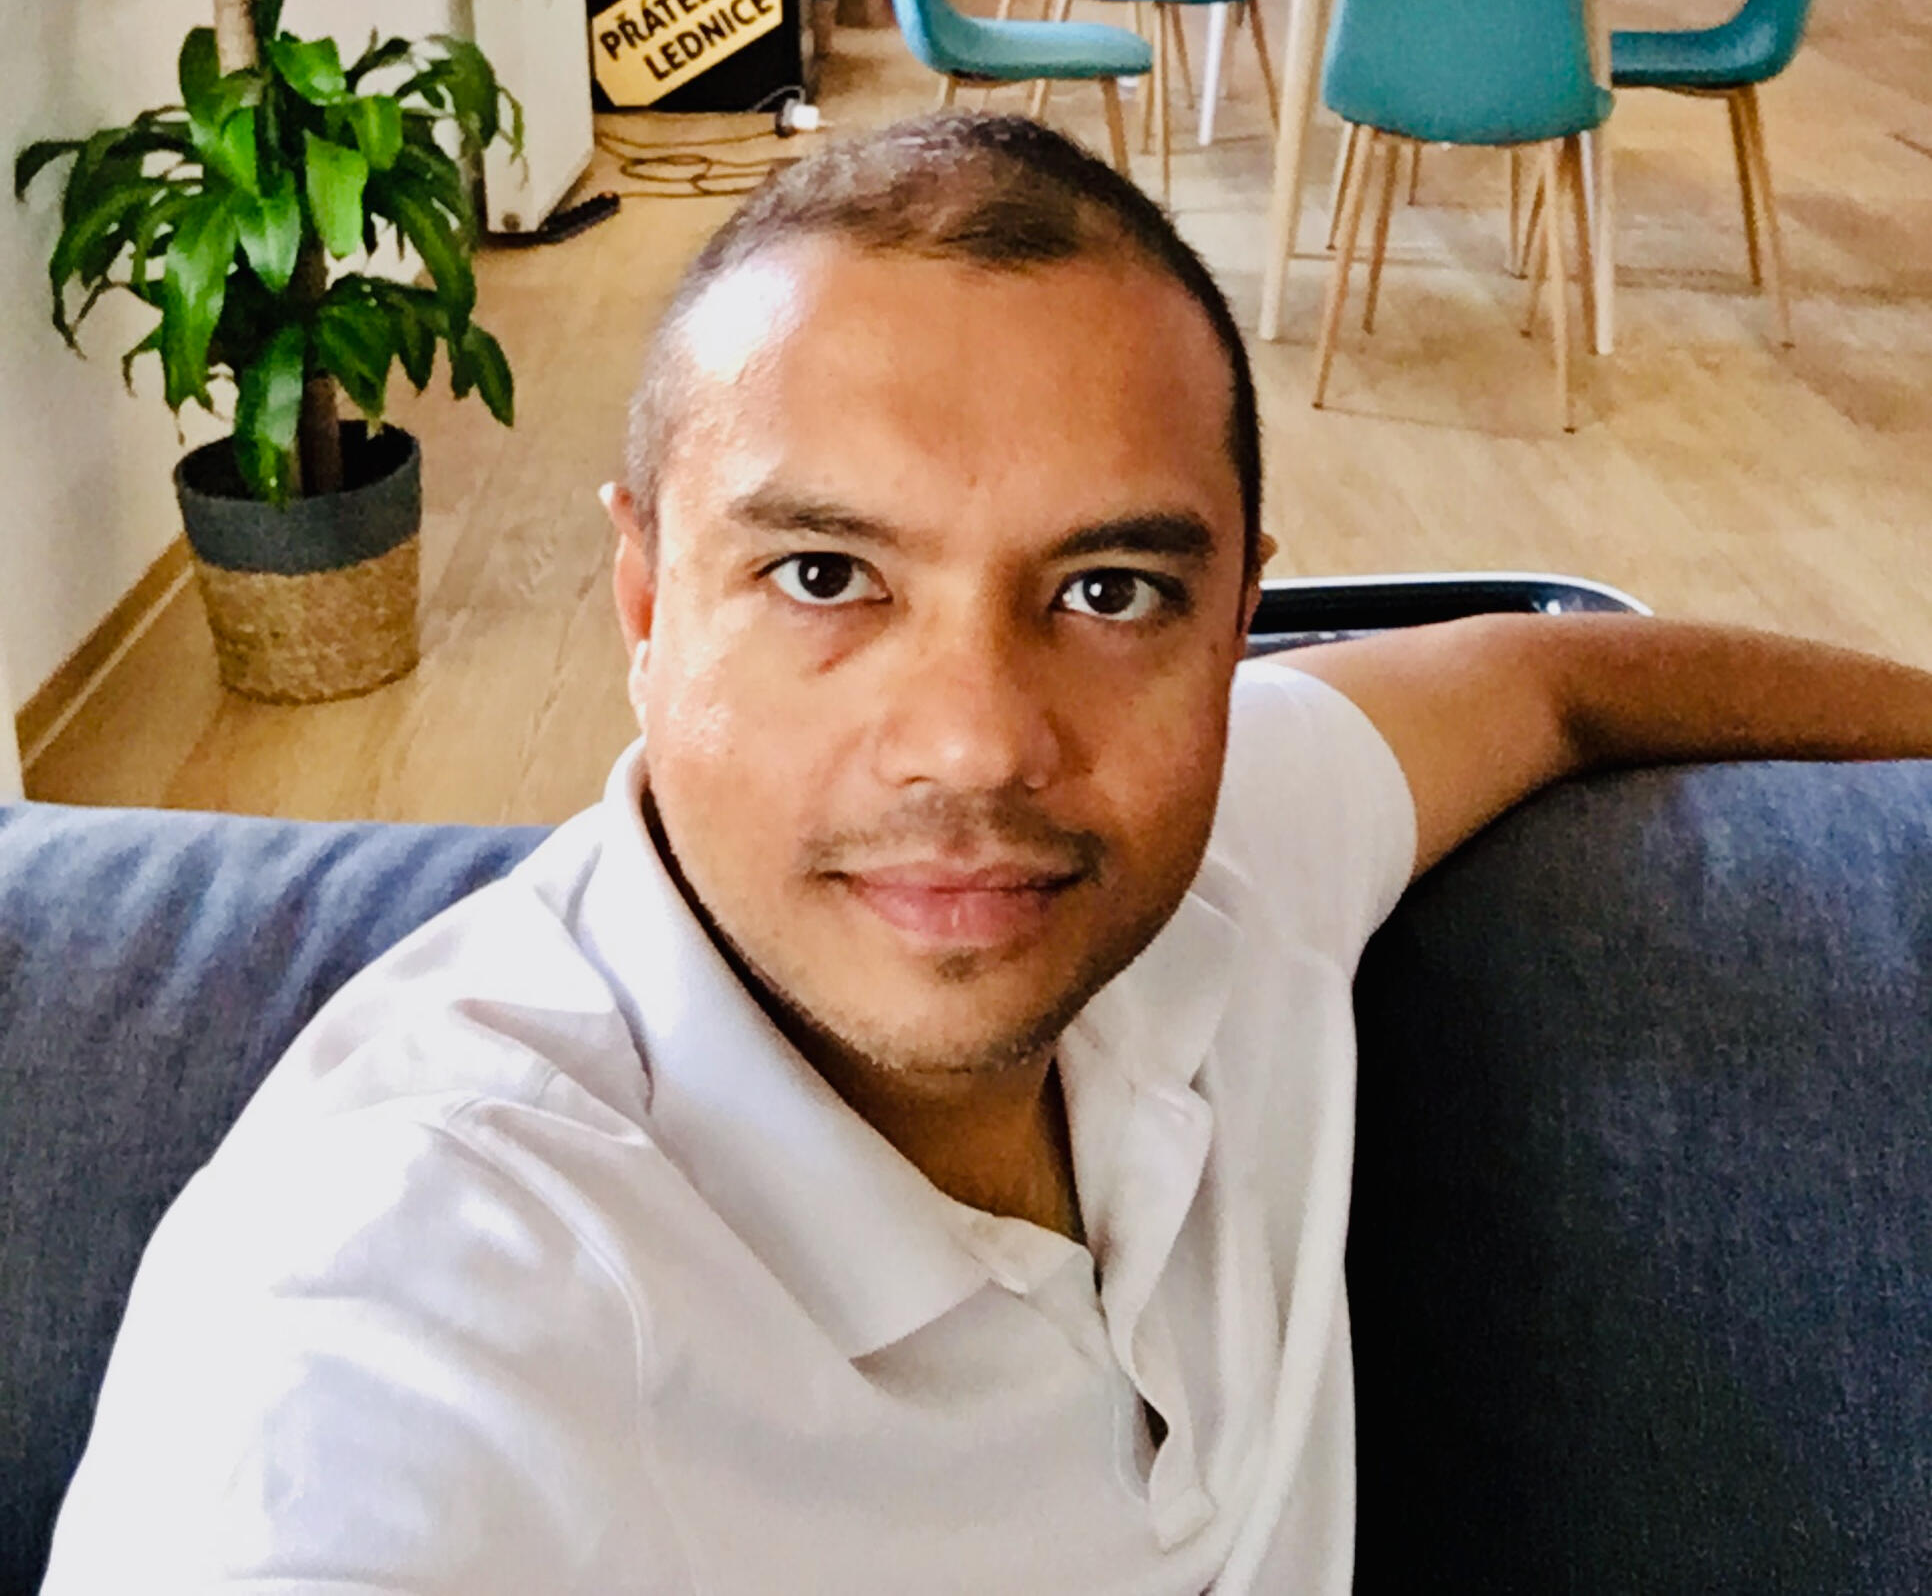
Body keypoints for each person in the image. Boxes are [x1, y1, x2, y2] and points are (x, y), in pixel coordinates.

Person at [41, 116, 1932, 1595]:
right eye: (824, 575)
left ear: (1238, 622)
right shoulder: (395, 1314)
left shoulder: (1227, 865)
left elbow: (1554, 681)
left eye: (1108, 591)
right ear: (645, 599)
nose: (976, 741)